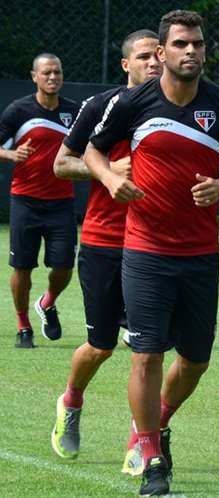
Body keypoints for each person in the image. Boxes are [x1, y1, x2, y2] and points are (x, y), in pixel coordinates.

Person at [83, 10, 219, 496]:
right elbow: (93, 150)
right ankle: (153, 459)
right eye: (181, 44)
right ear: (161, 53)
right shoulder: (134, 101)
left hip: (201, 252)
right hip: (145, 250)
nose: (192, 52)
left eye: (197, 44)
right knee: (145, 355)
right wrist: (113, 177)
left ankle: (152, 424)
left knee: (196, 360)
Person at [49, 29, 161, 476]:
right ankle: (72, 401)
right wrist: (107, 171)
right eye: (143, 57)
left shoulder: (177, 110)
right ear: (125, 65)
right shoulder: (99, 108)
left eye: (158, 55)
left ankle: (142, 441)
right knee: (101, 345)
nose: (153, 63)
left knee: (146, 351)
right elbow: (61, 163)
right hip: (103, 242)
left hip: (153, 248)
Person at [0, 53, 79, 348]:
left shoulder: (74, 111)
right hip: (25, 201)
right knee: (22, 267)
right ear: (34, 76)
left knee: (63, 266)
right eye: (46, 72)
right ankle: (23, 326)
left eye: (57, 72)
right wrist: (11, 154)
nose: (52, 77)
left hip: (62, 202)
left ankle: (47, 302)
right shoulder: (18, 111)